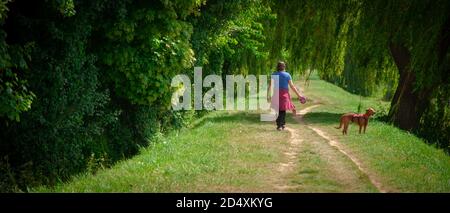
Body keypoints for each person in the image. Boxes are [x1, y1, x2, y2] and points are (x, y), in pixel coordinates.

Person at [267, 61, 304, 131]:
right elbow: (292, 86)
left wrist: (267, 95)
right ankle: (281, 125)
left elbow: (270, 85)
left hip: (276, 93)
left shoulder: (274, 74)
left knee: (278, 109)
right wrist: (299, 95)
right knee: (283, 110)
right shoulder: (287, 75)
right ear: (284, 67)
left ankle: (280, 125)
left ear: (277, 67)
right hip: (284, 94)